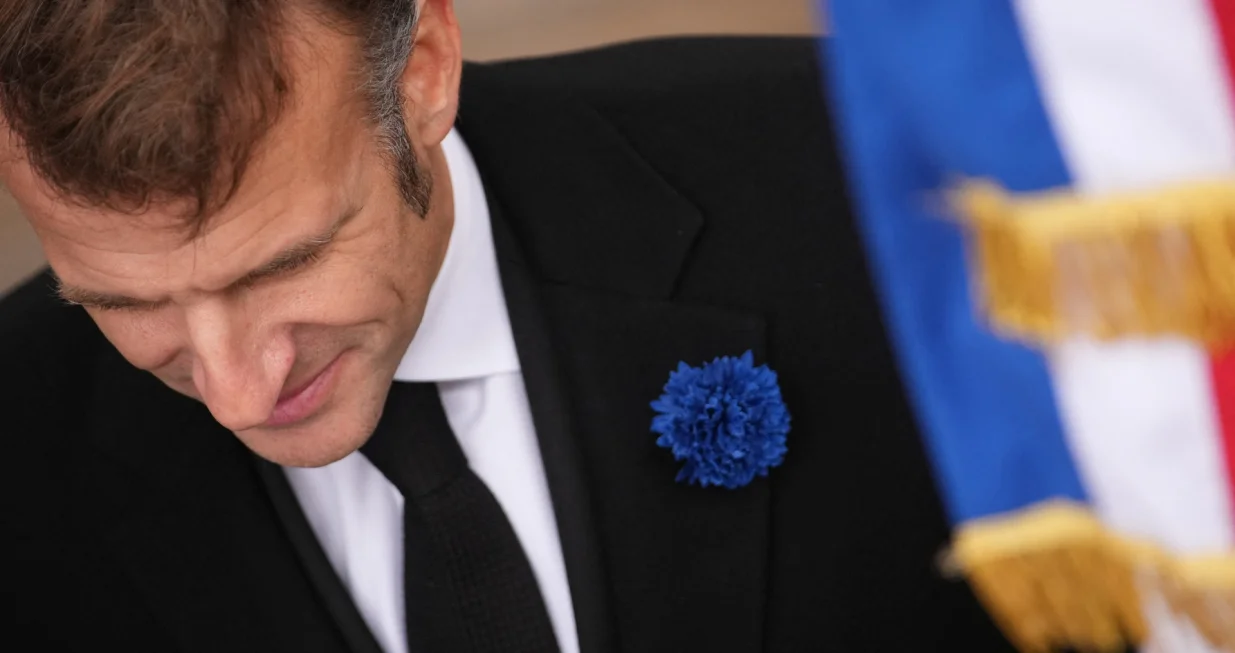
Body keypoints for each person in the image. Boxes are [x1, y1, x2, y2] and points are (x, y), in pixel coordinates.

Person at [0, 1, 1013, 651]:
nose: (235, 390)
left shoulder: (880, 189)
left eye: (288, 262)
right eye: (124, 304)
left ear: (424, 69)